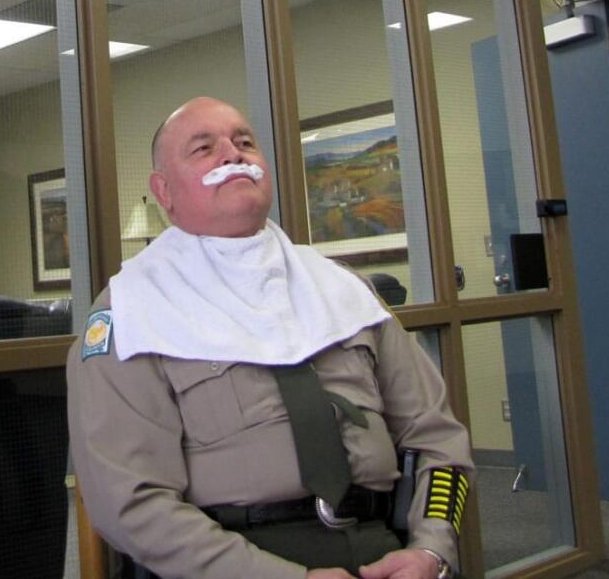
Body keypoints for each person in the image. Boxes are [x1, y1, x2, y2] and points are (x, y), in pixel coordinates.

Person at [67, 97, 473, 578]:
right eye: (203, 149)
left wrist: (432, 549)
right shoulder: (129, 314)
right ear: (164, 190)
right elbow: (128, 503)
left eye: (244, 143)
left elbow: (439, 437)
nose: (232, 155)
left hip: (386, 551)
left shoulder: (344, 290)